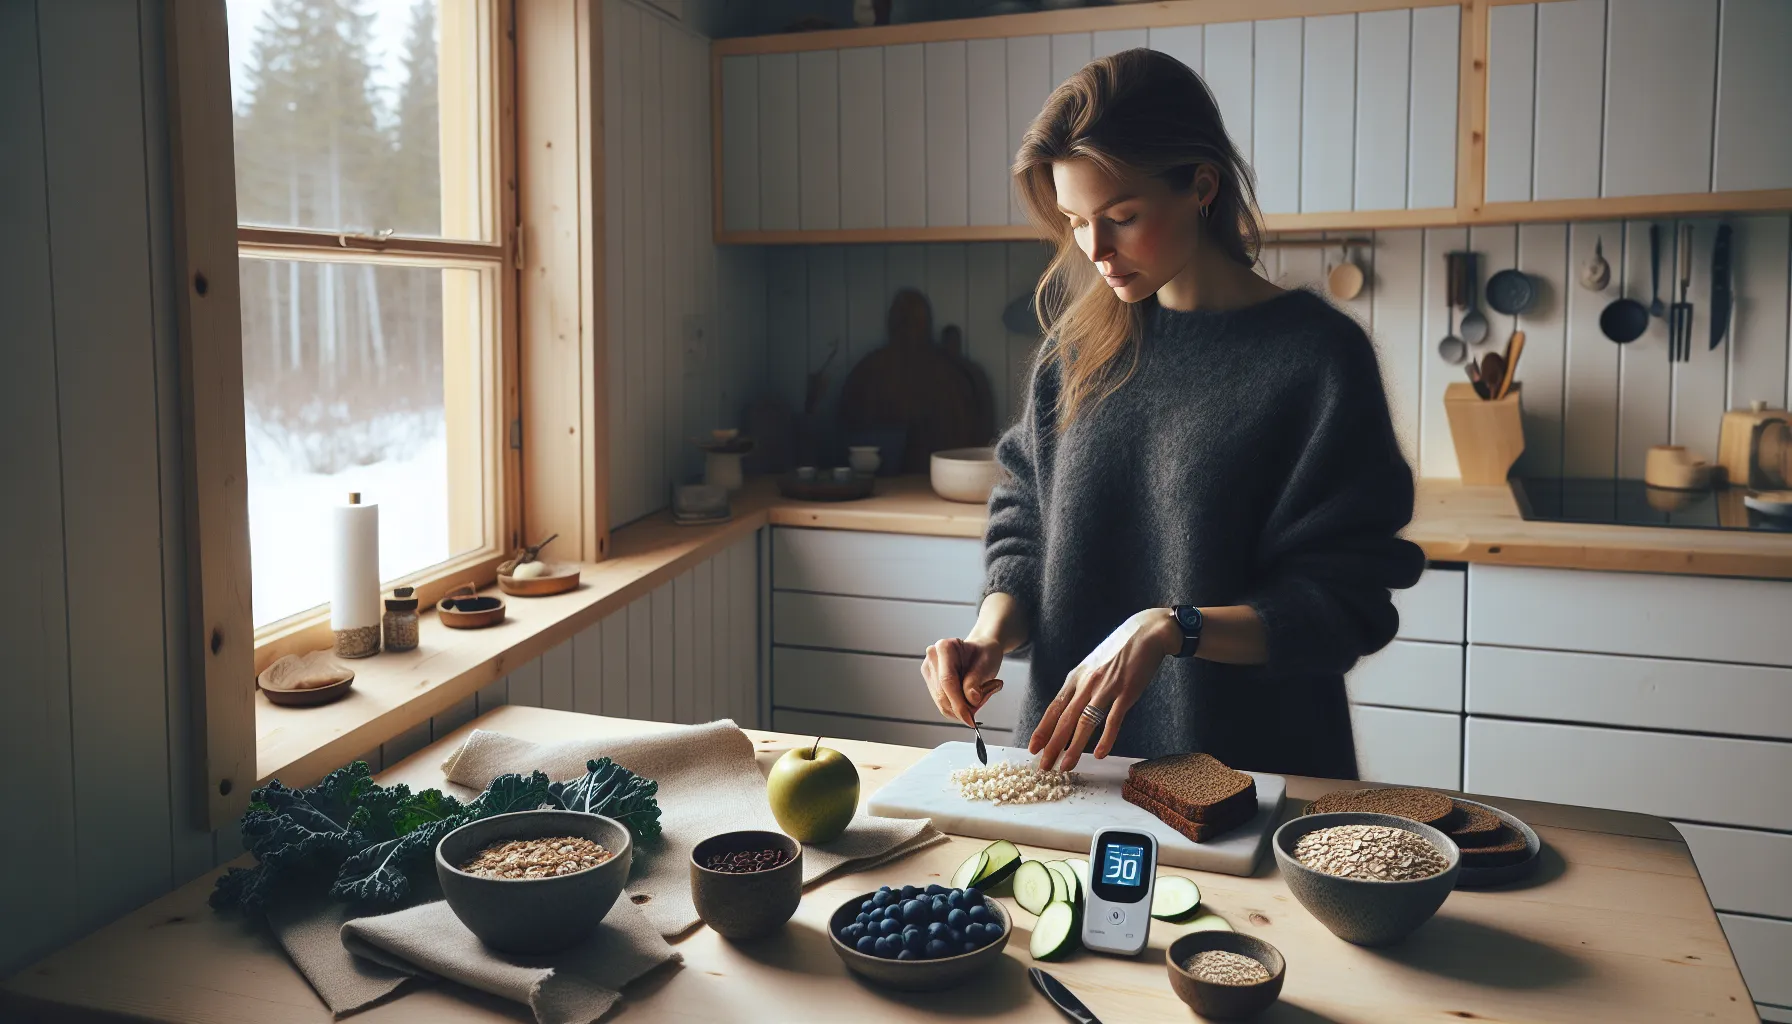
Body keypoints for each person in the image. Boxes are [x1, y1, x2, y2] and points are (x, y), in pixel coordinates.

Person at [919, 49, 1425, 780]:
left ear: (1202, 187)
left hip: (1251, 779)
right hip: (1074, 774)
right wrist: (989, 634)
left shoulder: (1317, 359)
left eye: (1122, 217)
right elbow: (1027, 521)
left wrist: (1173, 628)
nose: (1096, 250)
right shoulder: (1077, 351)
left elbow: (1340, 602)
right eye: (1076, 221)